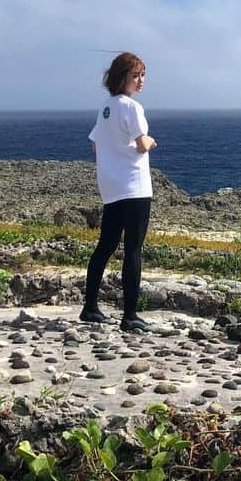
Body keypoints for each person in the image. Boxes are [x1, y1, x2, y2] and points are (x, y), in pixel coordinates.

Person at [80, 52, 157, 332]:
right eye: (135, 75)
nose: (140, 81)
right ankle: (130, 315)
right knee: (133, 249)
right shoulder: (132, 108)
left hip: (111, 187)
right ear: (120, 77)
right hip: (135, 186)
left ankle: (90, 306)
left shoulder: (107, 107)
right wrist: (149, 141)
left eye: (143, 75)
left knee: (105, 246)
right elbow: (140, 144)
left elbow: (95, 145)